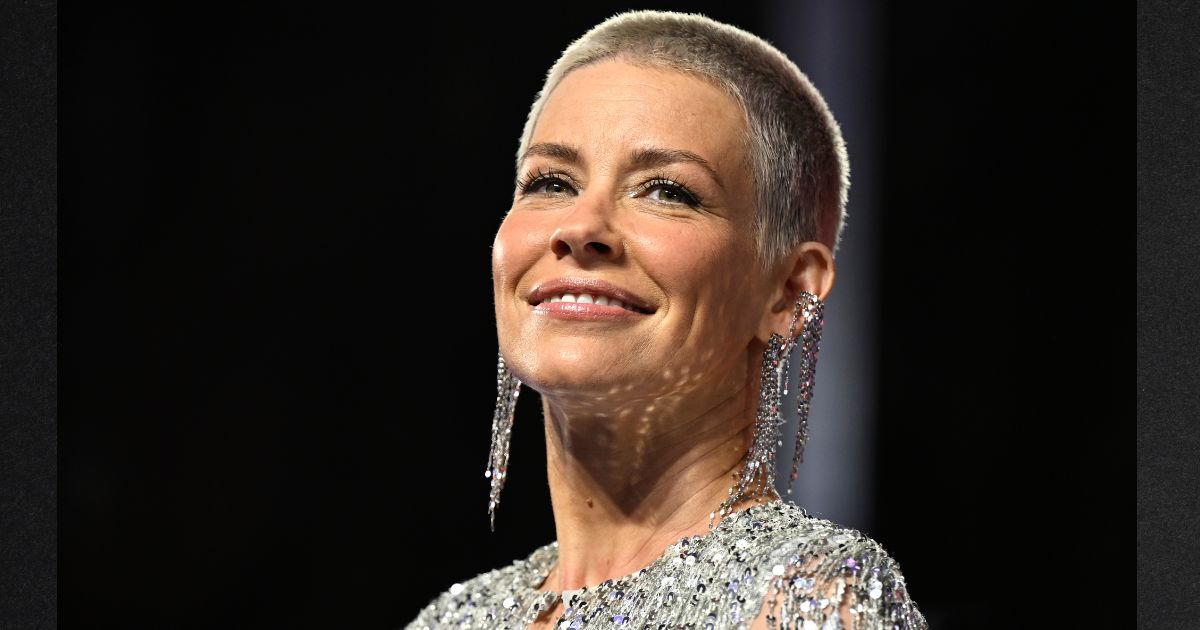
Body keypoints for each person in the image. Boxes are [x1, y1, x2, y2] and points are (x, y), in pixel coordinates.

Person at [408, 10, 926, 629]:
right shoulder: (452, 620)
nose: (580, 227)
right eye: (551, 182)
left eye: (667, 191)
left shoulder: (806, 602)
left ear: (789, 292)